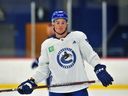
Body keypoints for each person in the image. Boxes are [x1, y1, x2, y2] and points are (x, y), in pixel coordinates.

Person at [17, 10, 113, 96]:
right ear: (53, 24)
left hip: (78, 88)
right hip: (56, 90)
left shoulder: (78, 37)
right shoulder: (47, 44)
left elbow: (90, 55)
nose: (60, 25)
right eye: (57, 22)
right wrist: (31, 82)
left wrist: (98, 68)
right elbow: (43, 69)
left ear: (67, 23)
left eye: (63, 22)